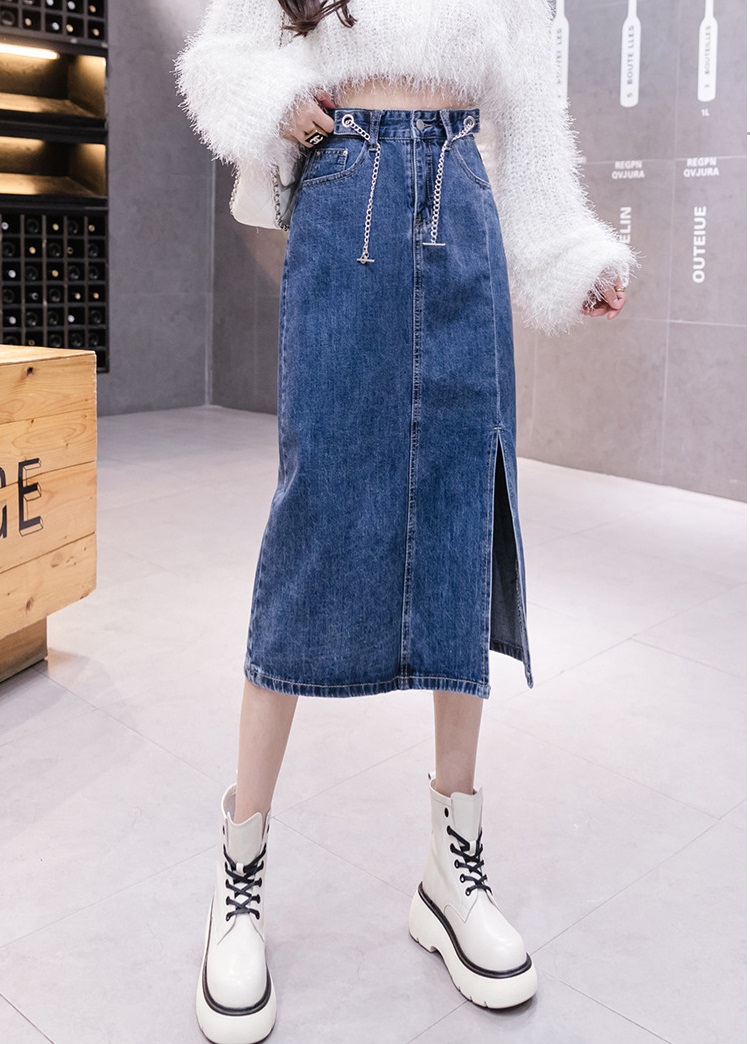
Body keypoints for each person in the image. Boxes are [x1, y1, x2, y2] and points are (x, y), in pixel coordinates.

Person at [175, 2, 639, 1041]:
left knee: (461, 511)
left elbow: (529, 119)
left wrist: (571, 253)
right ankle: (240, 868)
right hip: (347, 192)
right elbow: (217, 61)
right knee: (312, 525)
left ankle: (449, 866)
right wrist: (276, 101)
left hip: (463, 202)